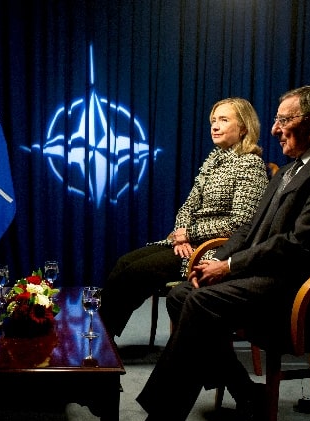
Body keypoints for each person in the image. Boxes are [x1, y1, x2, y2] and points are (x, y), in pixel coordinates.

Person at [130, 85, 310, 421]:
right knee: (183, 294)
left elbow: (299, 244)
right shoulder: (292, 168)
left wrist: (228, 267)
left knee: (200, 304)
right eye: (276, 120)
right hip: (274, 279)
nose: (274, 129)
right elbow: (247, 231)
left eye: (284, 120)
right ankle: (246, 393)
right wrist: (211, 265)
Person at [100, 97, 269, 338]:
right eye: (213, 120)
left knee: (134, 273)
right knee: (123, 263)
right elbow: (187, 206)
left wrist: (190, 234)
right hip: (188, 244)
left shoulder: (250, 165)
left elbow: (241, 224)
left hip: (213, 251)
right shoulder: (214, 160)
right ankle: (102, 335)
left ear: (243, 127)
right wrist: (182, 236)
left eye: (223, 120)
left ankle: (102, 341)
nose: (215, 126)